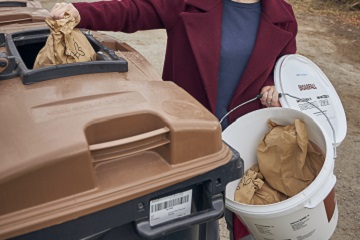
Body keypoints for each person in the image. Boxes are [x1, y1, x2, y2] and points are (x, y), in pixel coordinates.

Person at [51, 0, 297, 239]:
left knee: (248, 222)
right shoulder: (187, 3)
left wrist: (271, 87)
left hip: (248, 140)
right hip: (190, 140)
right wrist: (81, 12)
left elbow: (283, 67)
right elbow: (134, 10)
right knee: (197, 223)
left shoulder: (282, 16)